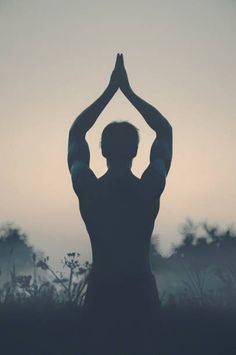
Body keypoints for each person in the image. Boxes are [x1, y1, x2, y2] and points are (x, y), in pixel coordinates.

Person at [67, 54, 173, 355]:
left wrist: (110, 91)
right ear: (138, 150)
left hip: (101, 292)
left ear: (100, 151)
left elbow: (76, 133)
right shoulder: (149, 187)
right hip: (141, 292)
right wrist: (128, 91)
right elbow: (164, 131)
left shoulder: (88, 187)